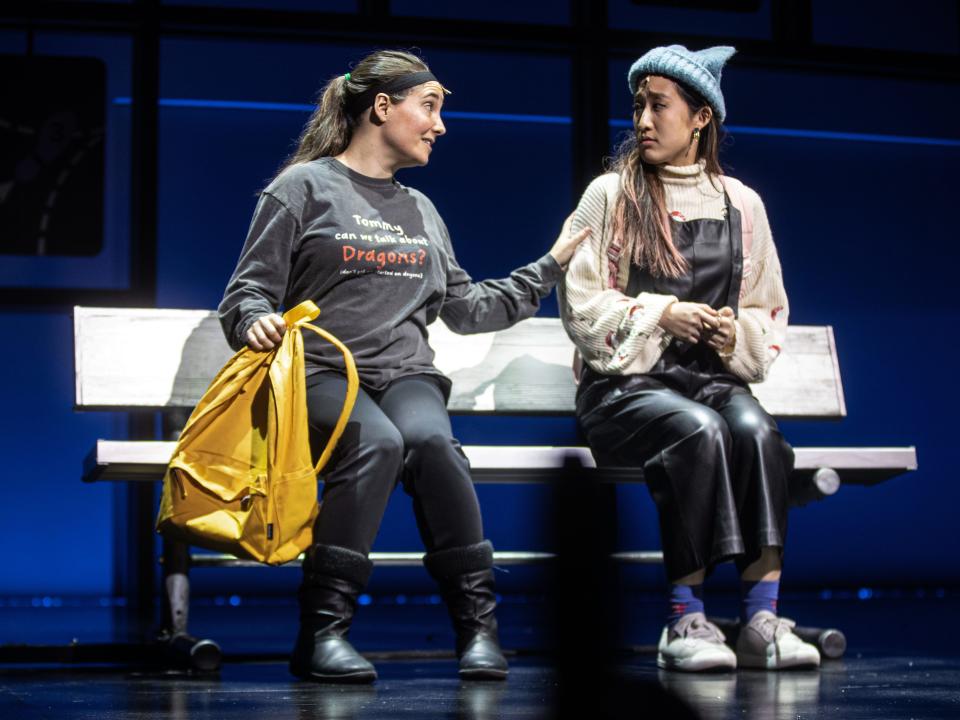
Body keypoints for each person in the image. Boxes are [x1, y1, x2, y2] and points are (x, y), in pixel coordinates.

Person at [218, 49, 588, 683]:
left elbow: (467, 309)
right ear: (382, 107)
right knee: (375, 443)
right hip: (324, 372)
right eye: (431, 106)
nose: (439, 125)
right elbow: (246, 292)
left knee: (433, 445)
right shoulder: (303, 186)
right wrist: (252, 318)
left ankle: (477, 630)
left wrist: (549, 265)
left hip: (406, 374)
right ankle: (322, 633)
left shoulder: (422, 211)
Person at [559, 45, 821, 672]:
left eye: (659, 106)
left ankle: (760, 619)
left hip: (706, 381)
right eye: (639, 106)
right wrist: (659, 313)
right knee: (699, 433)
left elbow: (768, 306)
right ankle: (685, 620)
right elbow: (580, 305)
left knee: (756, 433)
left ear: (701, 117)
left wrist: (735, 334)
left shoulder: (742, 204)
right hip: (623, 390)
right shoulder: (611, 195)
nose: (643, 120)